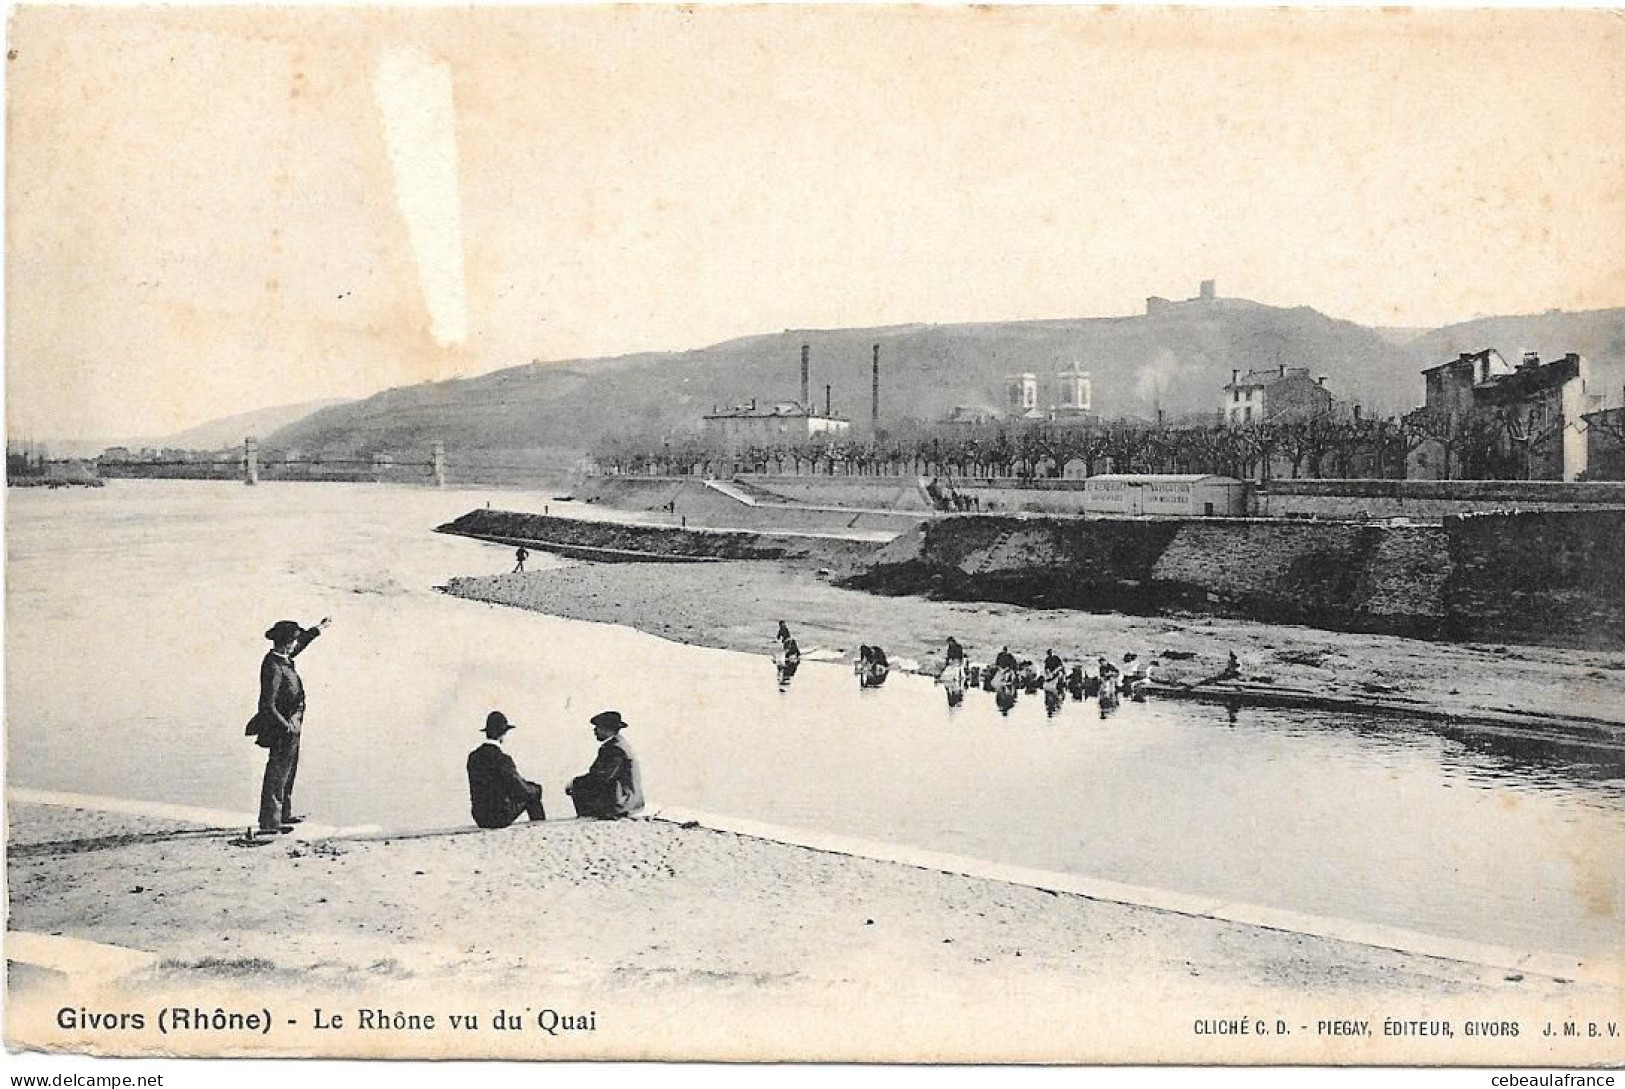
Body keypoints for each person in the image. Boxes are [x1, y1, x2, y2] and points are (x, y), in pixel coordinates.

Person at [244, 617, 330, 836]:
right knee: (277, 772)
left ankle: (283, 814)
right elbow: (267, 704)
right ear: (285, 642)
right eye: (293, 639)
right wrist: (285, 727)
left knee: (288, 770)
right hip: (282, 726)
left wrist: (318, 629)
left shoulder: (282, 656)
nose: (296, 643)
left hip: (293, 722)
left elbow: (302, 643)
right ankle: (270, 822)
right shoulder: (273, 666)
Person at [466, 711, 546, 828]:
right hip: (499, 816)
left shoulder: (473, 757)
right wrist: (536, 788)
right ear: (503, 734)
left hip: (480, 816)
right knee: (533, 793)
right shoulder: (502, 759)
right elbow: (519, 789)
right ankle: (540, 830)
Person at [567, 710, 644, 819]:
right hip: (630, 799)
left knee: (579, 787)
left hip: (621, 803)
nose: (594, 731)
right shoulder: (619, 744)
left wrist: (574, 783)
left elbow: (601, 777)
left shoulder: (615, 748)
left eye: (597, 727)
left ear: (607, 729)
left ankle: (590, 818)